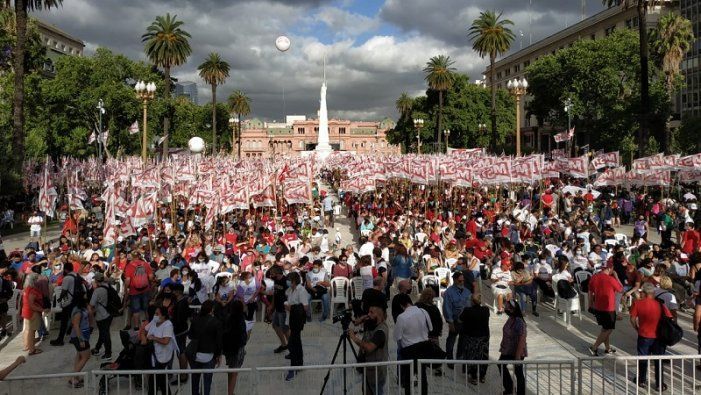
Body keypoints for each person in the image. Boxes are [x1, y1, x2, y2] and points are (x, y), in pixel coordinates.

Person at [630, 282, 672, 391]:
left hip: (644, 335)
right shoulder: (660, 304)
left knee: (643, 358)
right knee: (659, 360)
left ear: (644, 293)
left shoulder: (637, 303)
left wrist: (637, 329)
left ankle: (642, 381)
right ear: (653, 293)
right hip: (659, 337)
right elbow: (669, 317)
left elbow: (632, 319)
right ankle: (659, 384)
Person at [394, 293, 431, 395]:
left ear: (401, 305)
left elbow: (397, 337)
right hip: (423, 348)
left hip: (409, 351)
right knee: (422, 376)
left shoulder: (401, 317)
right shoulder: (423, 311)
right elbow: (430, 328)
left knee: (408, 378)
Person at [349, 305, 389, 395]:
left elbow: (369, 347)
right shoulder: (373, 322)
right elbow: (358, 321)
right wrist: (360, 319)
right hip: (369, 370)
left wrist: (354, 338)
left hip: (376, 373)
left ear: (378, 315)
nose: (368, 314)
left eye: (371, 312)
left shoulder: (381, 331)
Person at [188, 300, 224, 395]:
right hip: (209, 355)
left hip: (195, 353)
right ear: (212, 310)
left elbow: (190, 336)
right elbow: (219, 341)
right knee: (207, 381)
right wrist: (219, 355)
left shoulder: (195, 320)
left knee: (195, 379)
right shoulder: (216, 322)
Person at [588, 261, 623, 356]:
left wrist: (590, 305)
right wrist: (616, 276)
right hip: (608, 308)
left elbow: (590, 292)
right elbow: (621, 289)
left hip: (598, 307)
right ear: (609, 268)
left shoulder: (594, 277)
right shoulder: (611, 279)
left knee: (605, 328)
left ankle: (607, 348)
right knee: (608, 329)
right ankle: (594, 347)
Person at [144, 305, 177, 395]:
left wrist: (154, 338)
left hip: (163, 357)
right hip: (154, 356)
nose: (155, 315)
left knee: (154, 381)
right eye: (155, 313)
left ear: (163, 315)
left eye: (157, 314)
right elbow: (145, 329)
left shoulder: (168, 325)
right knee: (161, 380)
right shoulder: (155, 321)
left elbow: (166, 341)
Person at [499, 299, 527, 395]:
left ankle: (518, 392)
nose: (505, 308)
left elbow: (522, 339)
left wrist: (518, 356)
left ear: (512, 309)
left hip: (516, 352)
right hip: (507, 350)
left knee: (518, 373)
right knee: (501, 365)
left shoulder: (519, 321)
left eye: (507, 307)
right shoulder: (511, 318)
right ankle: (509, 388)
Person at [284, 271, 309, 381]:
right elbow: (286, 296)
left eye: (289, 280)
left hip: (297, 321)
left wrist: (291, 308)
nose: (288, 282)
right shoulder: (290, 290)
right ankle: (299, 363)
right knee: (297, 342)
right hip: (290, 320)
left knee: (293, 343)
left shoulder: (301, 290)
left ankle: (293, 368)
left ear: (294, 281)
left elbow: (305, 307)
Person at [460, 293, 490, 385]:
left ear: (472, 301)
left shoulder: (467, 310)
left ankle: (473, 377)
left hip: (471, 337)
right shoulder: (486, 310)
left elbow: (460, 319)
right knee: (483, 356)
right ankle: (482, 376)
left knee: (472, 355)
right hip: (484, 337)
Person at [442, 271, 471, 362]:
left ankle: (460, 356)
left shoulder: (467, 291)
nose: (462, 283)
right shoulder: (449, 292)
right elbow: (447, 308)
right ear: (454, 280)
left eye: (463, 281)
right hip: (454, 320)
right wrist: (450, 322)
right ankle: (450, 359)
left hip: (465, 321)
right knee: (451, 339)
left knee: (463, 339)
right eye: (459, 281)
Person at [124, 252, 154, 330]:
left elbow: (127, 280)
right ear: (139, 256)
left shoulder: (129, 266)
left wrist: (126, 289)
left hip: (134, 291)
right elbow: (151, 277)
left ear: (132, 257)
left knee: (136, 310)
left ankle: (137, 327)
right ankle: (149, 324)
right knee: (146, 308)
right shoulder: (146, 264)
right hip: (145, 289)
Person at [223, 300, 247, 395]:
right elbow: (243, 337)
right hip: (237, 349)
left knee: (231, 369)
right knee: (235, 372)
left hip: (229, 349)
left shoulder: (228, 318)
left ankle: (230, 391)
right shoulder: (241, 319)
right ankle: (230, 392)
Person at [68, 294, 92, 389]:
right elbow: (76, 326)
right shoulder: (78, 311)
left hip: (83, 335)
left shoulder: (82, 308)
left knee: (79, 355)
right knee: (86, 356)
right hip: (79, 337)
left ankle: (76, 377)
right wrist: (81, 339)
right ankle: (73, 378)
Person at [88, 272, 112, 360]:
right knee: (103, 333)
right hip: (109, 313)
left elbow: (91, 304)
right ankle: (97, 348)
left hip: (101, 315)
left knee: (105, 334)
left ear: (97, 281)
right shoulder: (108, 287)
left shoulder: (97, 291)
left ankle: (108, 353)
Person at [21, 273, 44, 355]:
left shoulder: (26, 288)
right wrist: (42, 309)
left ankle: (28, 346)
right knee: (32, 331)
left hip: (26, 311)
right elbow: (32, 305)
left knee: (28, 330)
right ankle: (32, 349)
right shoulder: (32, 290)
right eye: (38, 279)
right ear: (34, 281)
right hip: (33, 312)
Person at [269, 266, 289, 354]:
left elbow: (290, 295)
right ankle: (284, 345)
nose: (271, 274)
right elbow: (275, 293)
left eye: (272, 273)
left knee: (285, 329)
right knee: (275, 326)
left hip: (284, 308)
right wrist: (272, 305)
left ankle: (292, 349)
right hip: (277, 307)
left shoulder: (286, 281)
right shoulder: (275, 280)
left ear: (277, 273)